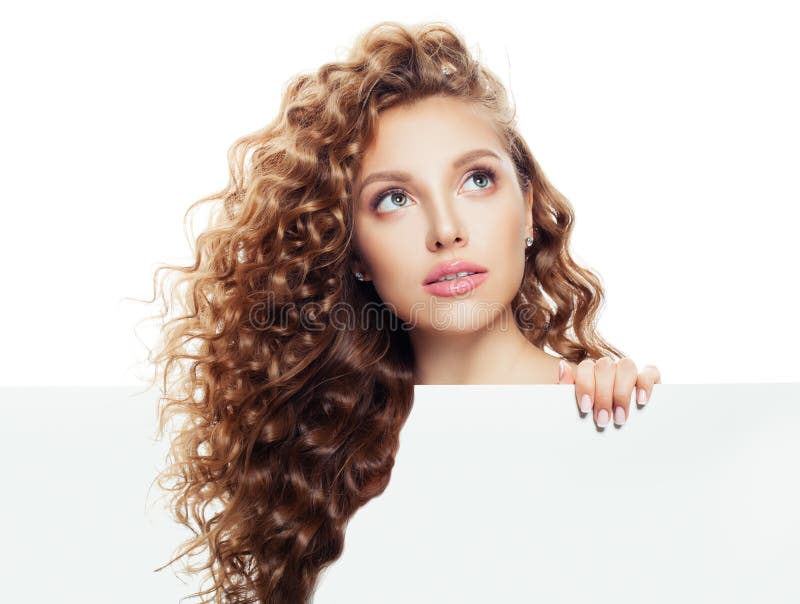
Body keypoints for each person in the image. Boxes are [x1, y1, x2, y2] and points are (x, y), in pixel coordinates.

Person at [145, 20, 662, 604]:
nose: (446, 231)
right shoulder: (326, 463)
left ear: (530, 204)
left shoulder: (603, 409)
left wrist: (628, 418)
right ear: (355, 252)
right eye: (394, 199)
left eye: (477, 179)